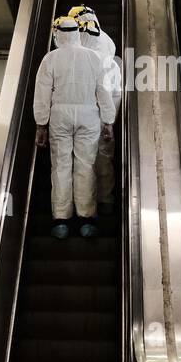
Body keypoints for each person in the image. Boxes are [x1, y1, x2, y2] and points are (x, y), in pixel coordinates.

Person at [33, 16, 116, 238]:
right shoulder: (94, 57)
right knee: (85, 166)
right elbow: (103, 92)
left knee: (60, 166)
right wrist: (108, 121)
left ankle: (61, 219)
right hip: (89, 115)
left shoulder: (50, 59)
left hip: (59, 115)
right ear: (77, 34)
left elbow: (42, 94)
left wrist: (41, 124)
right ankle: (86, 218)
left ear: (59, 33)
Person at [77, 13, 122, 215]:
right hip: (87, 119)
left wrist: (108, 122)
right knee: (97, 161)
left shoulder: (105, 57)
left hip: (93, 119)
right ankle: (97, 204)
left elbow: (114, 93)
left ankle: (97, 204)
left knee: (92, 161)